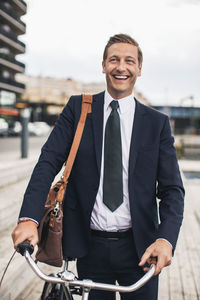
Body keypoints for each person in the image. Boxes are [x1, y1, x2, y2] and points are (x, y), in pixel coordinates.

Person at [12, 33, 184, 299]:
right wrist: (28, 219)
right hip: (89, 247)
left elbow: (173, 190)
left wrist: (166, 240)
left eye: (129, 61)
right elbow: (47, 162)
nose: (121, 67)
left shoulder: (156, 123)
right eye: (114, 59)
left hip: (142, 249)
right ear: (103, 65)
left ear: (139, 69)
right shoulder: (78, 108)